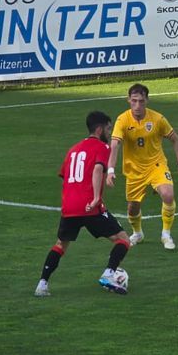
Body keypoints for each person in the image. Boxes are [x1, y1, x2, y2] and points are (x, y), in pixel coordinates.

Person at [35, 111, 132, 296]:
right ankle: (109, 274)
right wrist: (96, 197)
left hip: (69, 207)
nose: (110, 133)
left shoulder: (73, 149)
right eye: (108, 128)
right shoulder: (102, 147)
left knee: (60, 245)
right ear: (99, 128)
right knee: (123, 239)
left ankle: (42, 284)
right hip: (89, 205)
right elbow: (97, 169)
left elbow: (65, 176)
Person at [107, 83, 178, 249]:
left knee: (168, 194)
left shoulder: (157, 119)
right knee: (132, 208)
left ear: (147, 101)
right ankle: (138, 233)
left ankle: (166, 234)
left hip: (156, 165)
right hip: (134, 170)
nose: (138, 105)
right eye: (134, 101)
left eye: (141, 101)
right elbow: (115, 145)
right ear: (128, 100)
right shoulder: (122, 120)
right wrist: (110, 170)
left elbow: (175, 139)